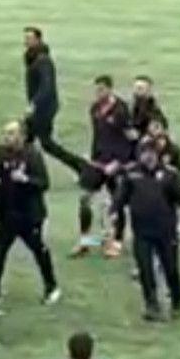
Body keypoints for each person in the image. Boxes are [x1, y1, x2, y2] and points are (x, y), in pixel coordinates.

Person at [0, 121, 60, 315]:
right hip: (6, 215)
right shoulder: (0, 152)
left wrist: (26, 180)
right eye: (5, 133)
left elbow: (44, 183)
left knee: (39, 251)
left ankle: (51, 286)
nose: (6, 137)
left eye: (11, 133)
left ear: (22, 136)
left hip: (29, 216)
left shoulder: (32, 155)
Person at [111, 144, 180, 321]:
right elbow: (120, 196)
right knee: (145, 269)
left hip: (166, 232)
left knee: (171, 268)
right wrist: (114, 211)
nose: (148, 158)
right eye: (145, 154)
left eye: (152, 154)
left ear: (157, 155)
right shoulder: (131, 174)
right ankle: (151, 304)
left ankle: (176, 303)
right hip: (142, 232)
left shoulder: (170, 175)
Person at [68, 75, 133, 259]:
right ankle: (86, 241)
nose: (98, 93)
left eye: (101, 89)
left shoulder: (121, 110)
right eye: (96, 90)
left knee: (116, 203)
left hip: (116, 164)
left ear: (110, 89)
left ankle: (117, 242)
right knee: (85, 200)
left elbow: (129, 140)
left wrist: (119, 162)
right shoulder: (95, 109)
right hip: (98, 162)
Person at [23, 27, 59, 145]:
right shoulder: (33, 58)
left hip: (44, 108)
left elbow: (46, 86)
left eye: (29, 38)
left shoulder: (43, 61)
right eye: (25, 38)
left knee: (45, 142)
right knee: (27, 138)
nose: (26, 41)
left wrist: (34, 103)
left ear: (38, 40)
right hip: (40, 107)